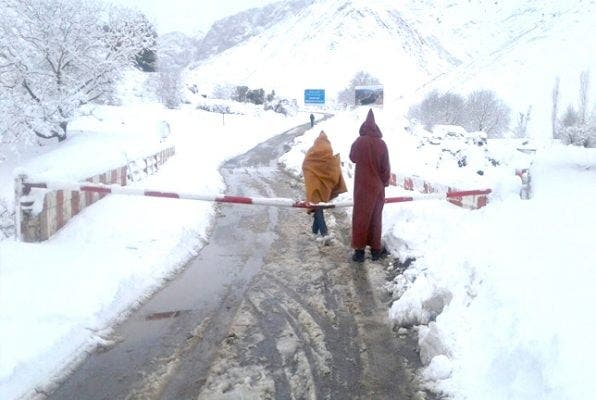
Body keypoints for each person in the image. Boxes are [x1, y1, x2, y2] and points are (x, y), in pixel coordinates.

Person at [349, 109, 391, 262]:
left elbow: (352, 158)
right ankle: (375, 251)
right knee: (375, 218)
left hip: (362, 188)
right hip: (377, 188)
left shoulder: (359, 141)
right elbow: (386, 168)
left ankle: (359, 253)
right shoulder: (382, 144)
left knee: (360, 218)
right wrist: (384, 183)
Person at [302, 131, 347, 240]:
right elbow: (331, 167)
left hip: (313, 183)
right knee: (319, 207)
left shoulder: (311, 152)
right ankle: (324, 233)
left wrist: (311, 174)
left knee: (317, 206)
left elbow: (305, 165)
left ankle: (314, 230)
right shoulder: (328, 150)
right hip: (323, 185)